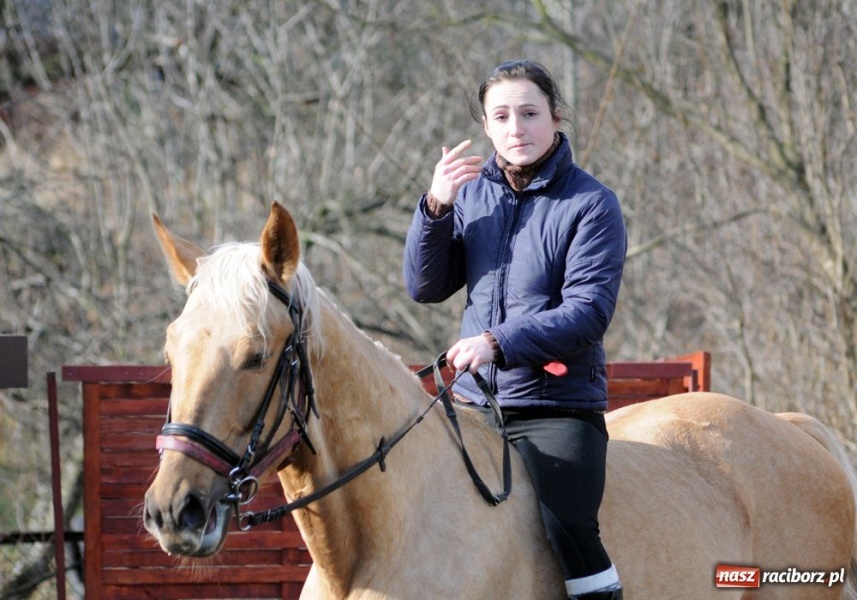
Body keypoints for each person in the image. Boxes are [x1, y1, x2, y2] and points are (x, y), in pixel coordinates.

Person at [403, 59, 626, 600]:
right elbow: (424, 287)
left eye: (529, 113)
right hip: (471, 405)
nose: (515, 128)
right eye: (500, 116)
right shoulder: (469, 195)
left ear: (555, 117)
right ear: (485, 125)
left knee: (566, 527)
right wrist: (435, 207)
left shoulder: (592, 204)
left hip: (556, 409)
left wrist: (498, 343)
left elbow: (588, 312)